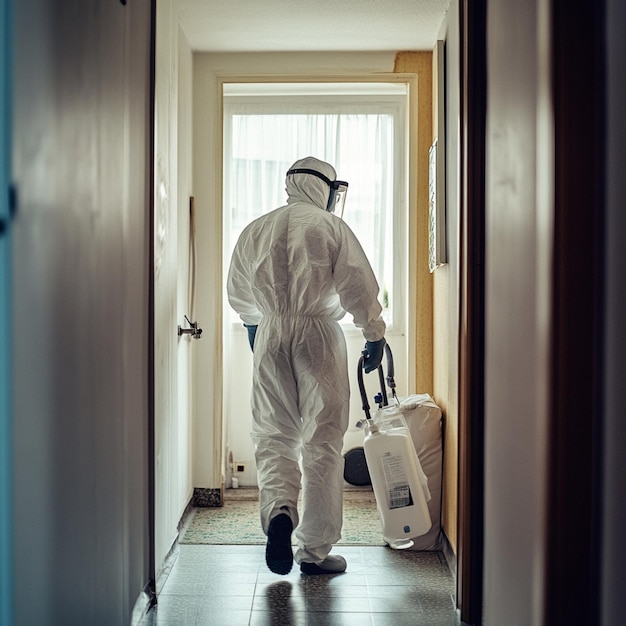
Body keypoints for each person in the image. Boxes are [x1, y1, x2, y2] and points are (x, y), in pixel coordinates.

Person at [227, 156, 386, 575]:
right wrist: (374, 334)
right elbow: (358, 285)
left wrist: (254, 327)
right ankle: (314, 551)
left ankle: (279, 512)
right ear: (326, 189)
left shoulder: (255, 229)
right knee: (322, 442)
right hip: (318, 337)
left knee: (274, 435)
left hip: (270, 333)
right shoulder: (330, 227)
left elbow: (239, 293)